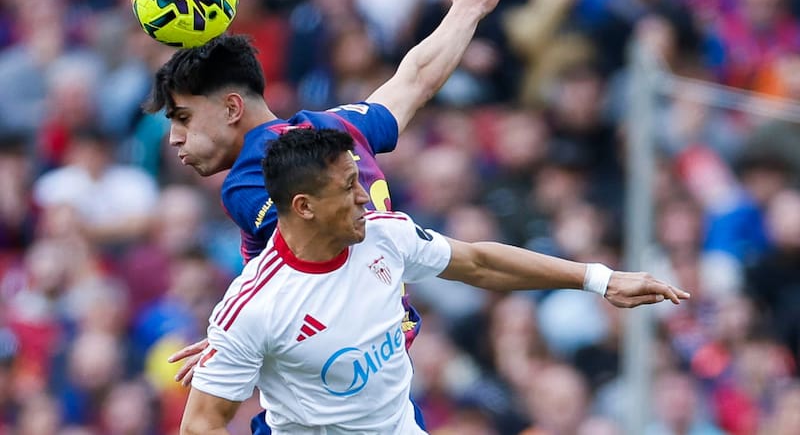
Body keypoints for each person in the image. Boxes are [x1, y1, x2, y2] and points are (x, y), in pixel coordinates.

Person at [144, 0, 532, 432]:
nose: (175, 140)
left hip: (338, 394)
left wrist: (233, 334)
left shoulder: (248, 181)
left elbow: (317, 258)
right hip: (371, 379)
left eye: (184, 120)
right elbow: (413, 78)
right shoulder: (335, 126)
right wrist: (466, 10)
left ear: (232, 107)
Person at [179, 128, 690, 434]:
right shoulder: (254, 308)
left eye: (359, 179)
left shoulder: (385, 236)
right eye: (348, 187)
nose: (366, 197)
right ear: (304, 207)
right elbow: (202, 421)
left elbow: (478, 263)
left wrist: (599, 279)